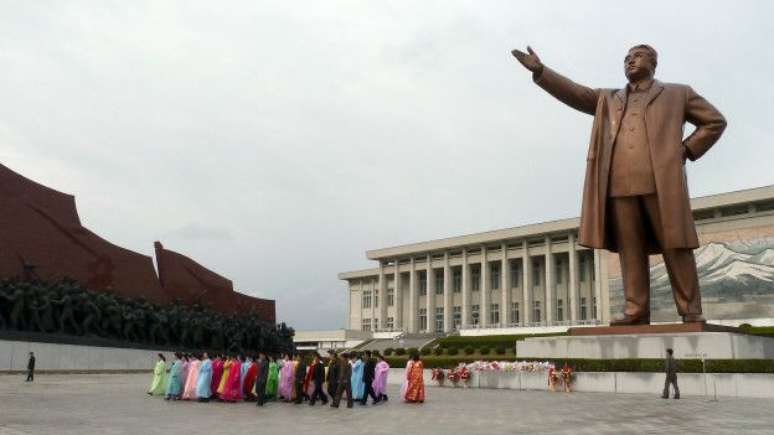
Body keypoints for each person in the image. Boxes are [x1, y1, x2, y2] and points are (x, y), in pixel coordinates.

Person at [511, 45, 726, 325]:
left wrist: (685, 150)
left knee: (676, 245)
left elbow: (714, 121)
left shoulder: (678, 93)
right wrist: (542, 71)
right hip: (618, 185)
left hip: (662, 183)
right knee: (630, 249)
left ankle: (690, 310)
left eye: (636, 56)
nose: (629, 61)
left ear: (653, 62)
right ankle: (636, 310)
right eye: (626, 58)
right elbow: (575, 93)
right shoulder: (609, 98)